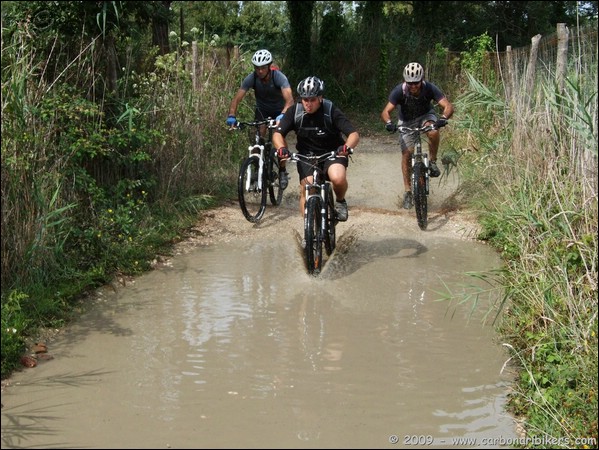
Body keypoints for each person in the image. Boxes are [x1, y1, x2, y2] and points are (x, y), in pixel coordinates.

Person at [272, 76, 359, 222]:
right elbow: (278, 134)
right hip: (307, 156)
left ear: (320, 98)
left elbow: (353, 134)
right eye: (305, 100)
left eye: (312, 99)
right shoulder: (295, 111)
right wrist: (281, 148)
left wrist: (346, 147)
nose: (308, 103)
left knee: (337, 178)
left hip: (332, 153)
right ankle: (308, 229)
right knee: (307, 188)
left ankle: (340, 201)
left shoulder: (330, 110)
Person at [380, 62, 454, 209]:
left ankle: (432, 162)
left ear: (422, 80)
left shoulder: (429, 88)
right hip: (406, 121)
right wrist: (389, 123)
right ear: (405, 81)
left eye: (416, 83)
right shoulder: (399, 91)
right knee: (407, 154)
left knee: (432, 131)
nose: (413, 86)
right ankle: (408, 192)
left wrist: (443, 119)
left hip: (426, 116)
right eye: (410, 83)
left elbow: (448, 106)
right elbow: (385, 111)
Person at [226, 49, 295, 189]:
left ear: (269, 67)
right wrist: (232, 115)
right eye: (257, 68)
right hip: (262, 111)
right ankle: (257, 169)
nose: (260, 71)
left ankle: (282, 171)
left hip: (280, 111)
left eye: (263, 68)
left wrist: (282, 114)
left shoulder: (279, 77)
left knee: (279, 138)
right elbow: (236, 99)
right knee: (257, 139)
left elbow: (290, 100)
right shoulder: (251, 78)